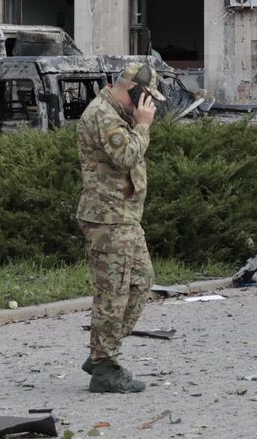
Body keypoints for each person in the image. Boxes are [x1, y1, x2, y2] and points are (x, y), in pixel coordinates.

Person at [78, 60, 160, 393]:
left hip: (124, 216)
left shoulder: (117, 113)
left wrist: (137, 122)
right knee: (114, 293)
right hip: (107, 218)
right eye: (145, 97)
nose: (148, 105)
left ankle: (102, 350)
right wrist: (143, 126)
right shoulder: (102, 115)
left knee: (141, 282)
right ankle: (104, 366)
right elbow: (126, 156)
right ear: (132, 90)